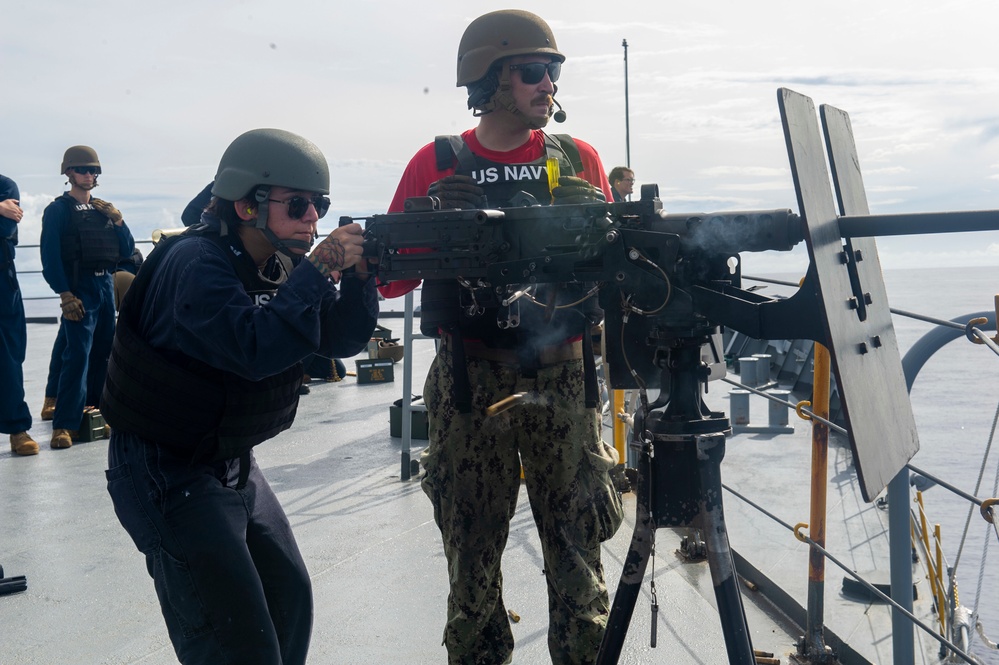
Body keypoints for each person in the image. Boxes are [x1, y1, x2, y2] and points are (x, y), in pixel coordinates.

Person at [378, 10, 624, 664]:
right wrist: (434, 226)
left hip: (563, 376)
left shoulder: (576, 159)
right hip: (469, 380)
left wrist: (588, 227)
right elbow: (387, 282)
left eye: (552, 72)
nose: (548, 84)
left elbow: (606, 273)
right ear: (489, 81)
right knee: (472, 563)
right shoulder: (435, 165)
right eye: (533, 72)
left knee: (578, 560)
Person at [101, 128, 378, 665]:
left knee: (288, 603)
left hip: (229, 460)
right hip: (166, 469)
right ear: (248, 204)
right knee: (237, 644)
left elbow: (339, 340)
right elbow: (253, 348)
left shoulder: (279, 265)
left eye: (318, 206)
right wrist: (321, 267)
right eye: (297, 205)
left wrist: (360, 278)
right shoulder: (193, 263)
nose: (312, 220)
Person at [40, 146, 135, 449]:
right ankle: (65, 424)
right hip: (79, 288)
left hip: (105, 285)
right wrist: (65, 293)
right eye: (82, 169)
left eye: (93, 170)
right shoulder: (58, 210)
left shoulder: (104, 210)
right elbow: (50, 255)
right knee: (77, 355)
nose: (89, 175)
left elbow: (127, 250)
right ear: (68, 173)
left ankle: (98, 412)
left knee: (105, 352)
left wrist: (118, 222)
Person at [1, 173, 39, 456]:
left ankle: (17, 428)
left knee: (9, 358)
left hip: (3, 282)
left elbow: (5, 226)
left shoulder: (5, 186)